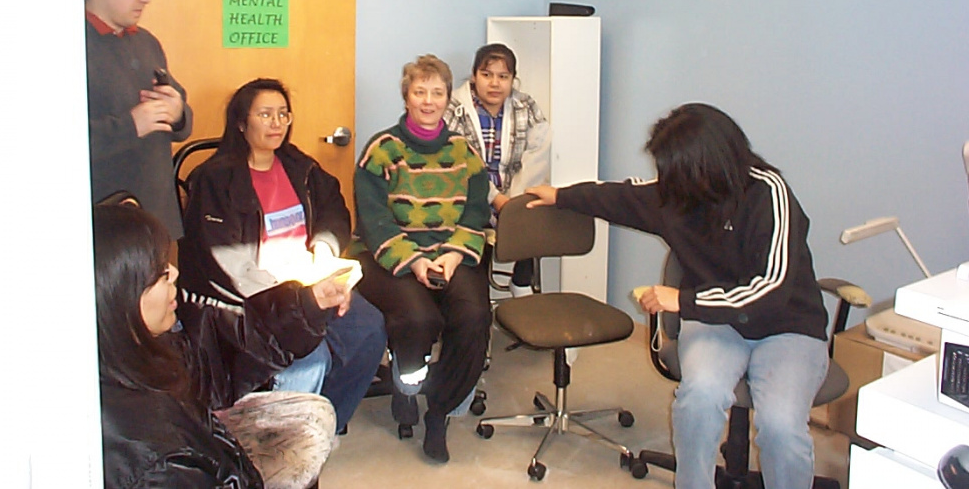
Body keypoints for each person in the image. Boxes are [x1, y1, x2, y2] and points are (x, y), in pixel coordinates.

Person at [526, 103, 830, 489]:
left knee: (781, 427)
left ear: (706, 166)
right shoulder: (676, 193)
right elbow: (620, 197)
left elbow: (769, 290)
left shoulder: (769, 195)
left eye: (674, 169)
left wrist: (684, 302)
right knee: (699, 398)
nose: (666, 179)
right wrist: (561, 196)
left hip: (787, 328)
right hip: (717, 326)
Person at [178, 78, 387, 435]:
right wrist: (295, 296)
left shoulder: (298, 166)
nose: (276, 123)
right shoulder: (214, 179)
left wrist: (324, 250)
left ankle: (323, 428)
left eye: (283, 114)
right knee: (309, 358)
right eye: (265, 114)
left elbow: (333, 210)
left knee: (368, 330)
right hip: (258, 295)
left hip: (309, 280)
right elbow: (224, 262)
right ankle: (284, 446)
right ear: (242, 122)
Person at [94, 201, 344, 488]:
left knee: (315, 410)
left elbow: (226, 349)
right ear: (122, 294)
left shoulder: (129, 348)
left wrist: (309, 304)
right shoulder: (159, 465)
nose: (174, 272)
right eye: (159, 273)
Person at [351, 54, 492, 463]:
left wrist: (451, 256)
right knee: (420, 319)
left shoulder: (465, 152)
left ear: (449, 97)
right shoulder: (382, 149)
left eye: (437, 92)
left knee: (474, 319)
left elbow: (477, 213)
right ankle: (406, 382)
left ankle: (440, 410)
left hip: (451, 253)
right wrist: (413, 262)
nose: (428, 101)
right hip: (391, 255)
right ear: (406, 97)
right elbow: (374, 220)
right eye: (419, 92)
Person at [84, 0, 192, 243]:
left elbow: (183, 125)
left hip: (159, 221)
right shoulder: (70, 44)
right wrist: (131, 125)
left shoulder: (147, 42)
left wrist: (177, 113)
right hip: (105, 231)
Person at [444, 42, 551, 296]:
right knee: (471, 221)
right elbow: (461, 163)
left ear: (513, 79)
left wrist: (513, 200)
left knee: (539, 207)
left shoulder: (526, 106)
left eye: (503, 76)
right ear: (473, 75)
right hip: (471, 194)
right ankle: (475, 293)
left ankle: (522, 281)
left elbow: (538, 153)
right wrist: (496, 199)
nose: (495, 83)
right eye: (487, 75)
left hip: (514, 193)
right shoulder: (453, 108)